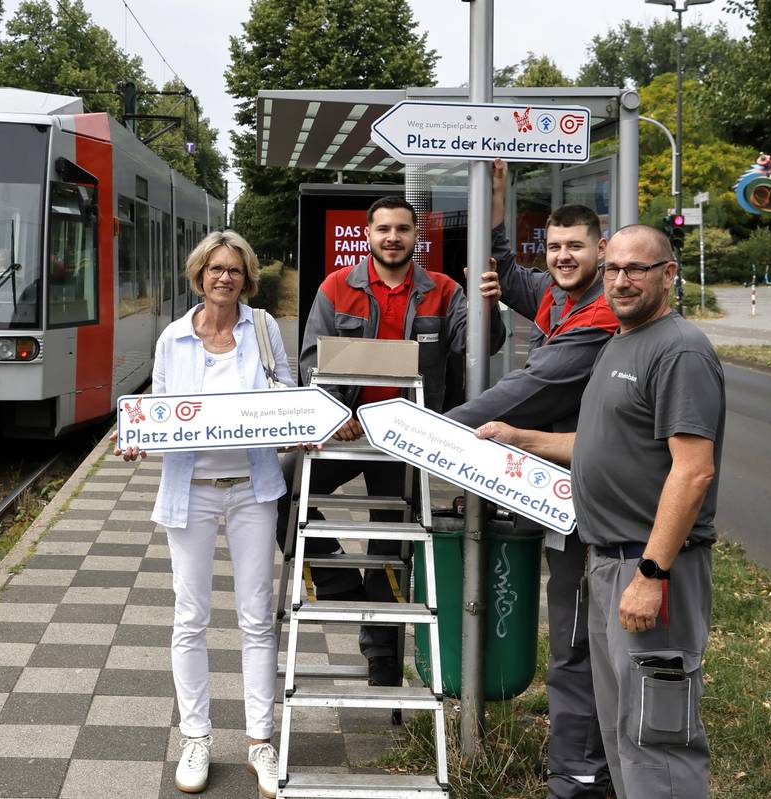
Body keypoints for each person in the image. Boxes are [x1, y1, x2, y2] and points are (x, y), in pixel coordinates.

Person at [478, 224, 724, 799]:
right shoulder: (619, 341)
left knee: (658, 735)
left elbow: (693, 472)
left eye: (636, 269)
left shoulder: (680, 350)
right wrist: (520, 436)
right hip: (608, 562)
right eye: (613, 268)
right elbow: (596, 445)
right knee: (620, 730)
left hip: (649, 567)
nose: (621, 280)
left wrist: (652, 574)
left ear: (668, 274)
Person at [277, 195, 505, 688]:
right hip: (347, 432)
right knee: (274, 488)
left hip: (405, 437)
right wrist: (338, 415)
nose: (393, 238)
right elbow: (312, 358)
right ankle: (337, 583)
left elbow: (476, 348)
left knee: (391, 541)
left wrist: (489, 306)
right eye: (383, 229)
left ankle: (381, 651)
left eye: (403, 229)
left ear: (415, 237)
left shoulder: (444, 291)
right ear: (368, 233)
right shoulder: (337, 287)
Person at [446, 159, 617, 798]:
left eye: (576, 246)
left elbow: (523, 390)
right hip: (563, 494)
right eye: (554, 247)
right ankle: (584, 761)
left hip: (593, 501)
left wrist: (431, 433)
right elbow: (506, 272)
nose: (563, 257)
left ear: (600, 247)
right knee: (574, 631)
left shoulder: (597, 319)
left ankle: (579, 777)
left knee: (576, 638)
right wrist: (494, 192)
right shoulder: (555, 293)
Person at [116, 230, 290, 798]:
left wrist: (302, 428)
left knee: (256, 617)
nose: (224, 278)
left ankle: (260, 742)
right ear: (199, 275)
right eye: (215, 268)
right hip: (190, 489)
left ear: (247, 277)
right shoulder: (173, 339)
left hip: (251, 487)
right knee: (189, 617)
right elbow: (161, 410)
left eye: (235, 270)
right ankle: (196, 737)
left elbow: (286, 397)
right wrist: (138, 438)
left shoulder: (263, 331)